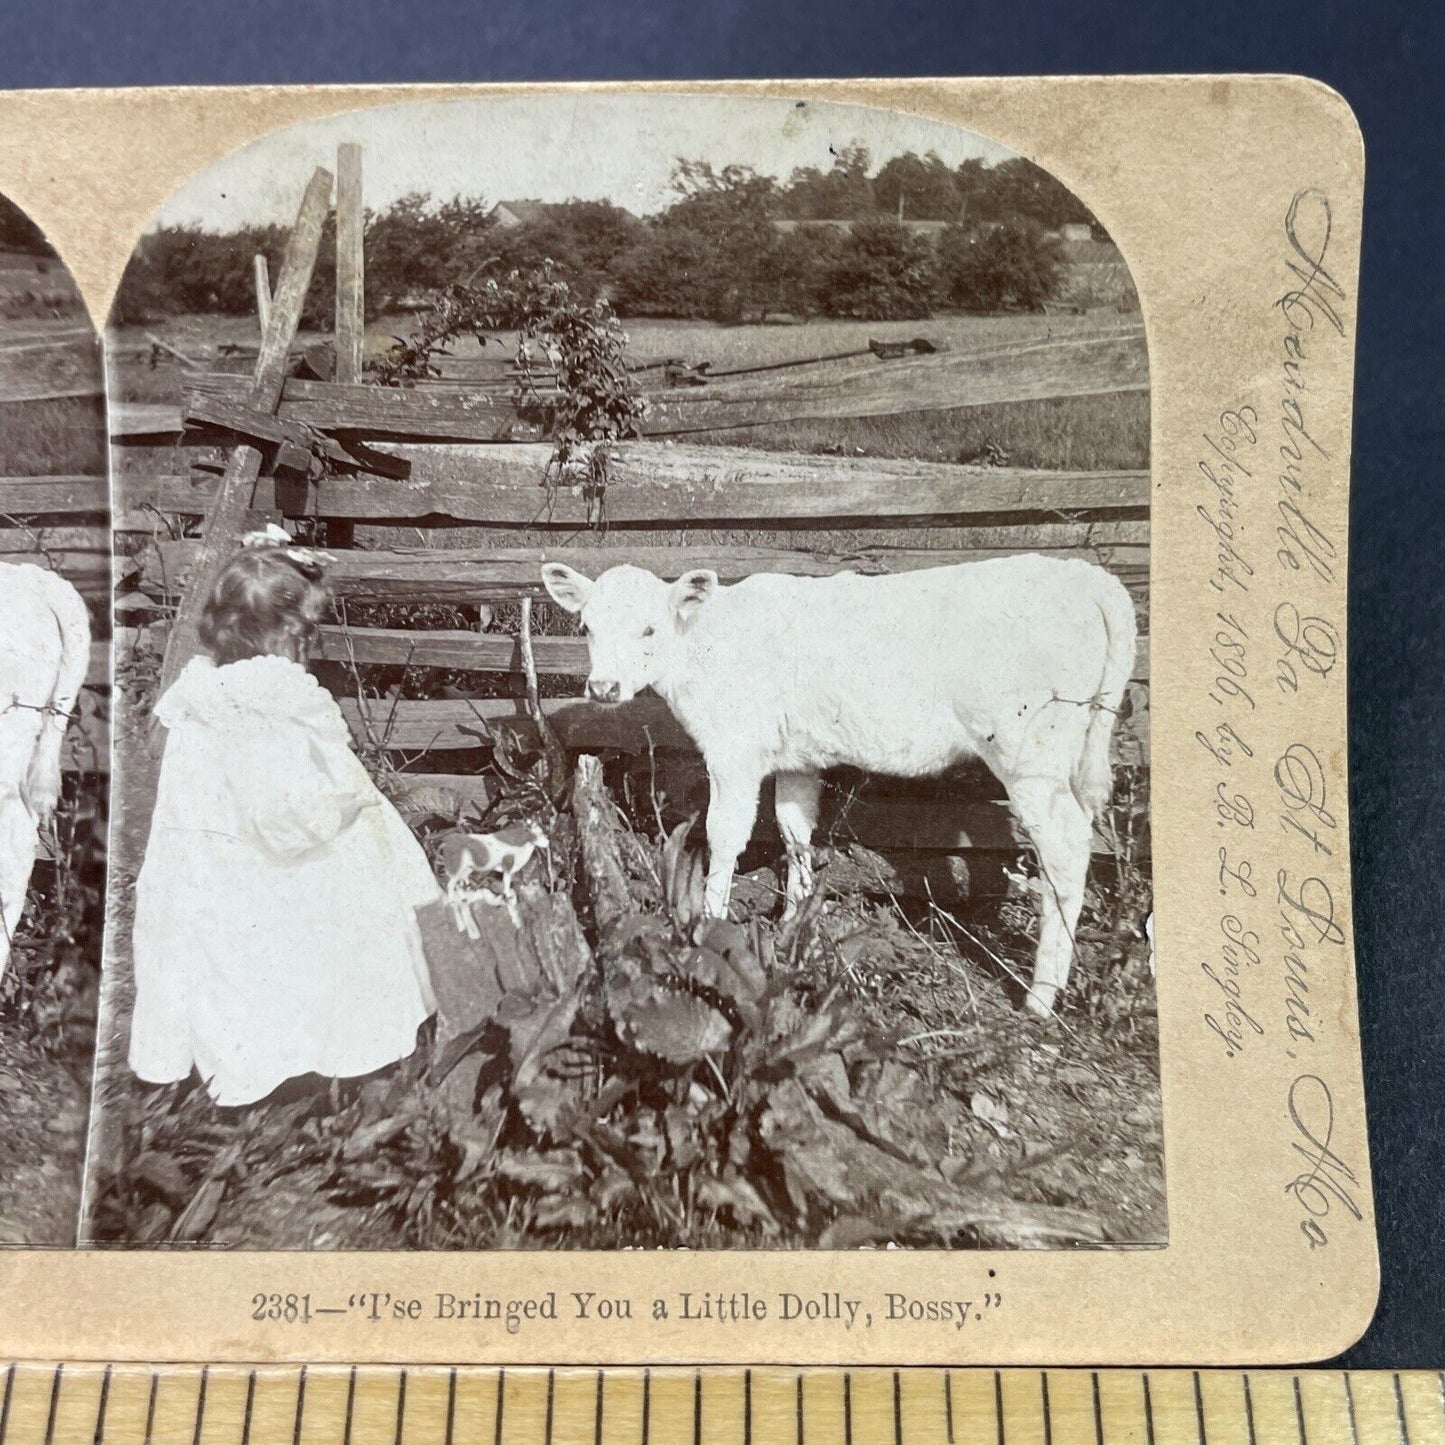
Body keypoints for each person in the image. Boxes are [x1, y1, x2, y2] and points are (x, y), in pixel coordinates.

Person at [128, 527, 440, 1107]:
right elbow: (282, 816)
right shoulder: (267, 700)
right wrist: (341, 810)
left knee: (231, 967)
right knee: (329, 919)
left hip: (209, 867)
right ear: (284, 634)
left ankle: (240, 1064)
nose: (310, 645)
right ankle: (334, 1055)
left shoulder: (203, 690)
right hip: (264, 858)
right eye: (307, 631)